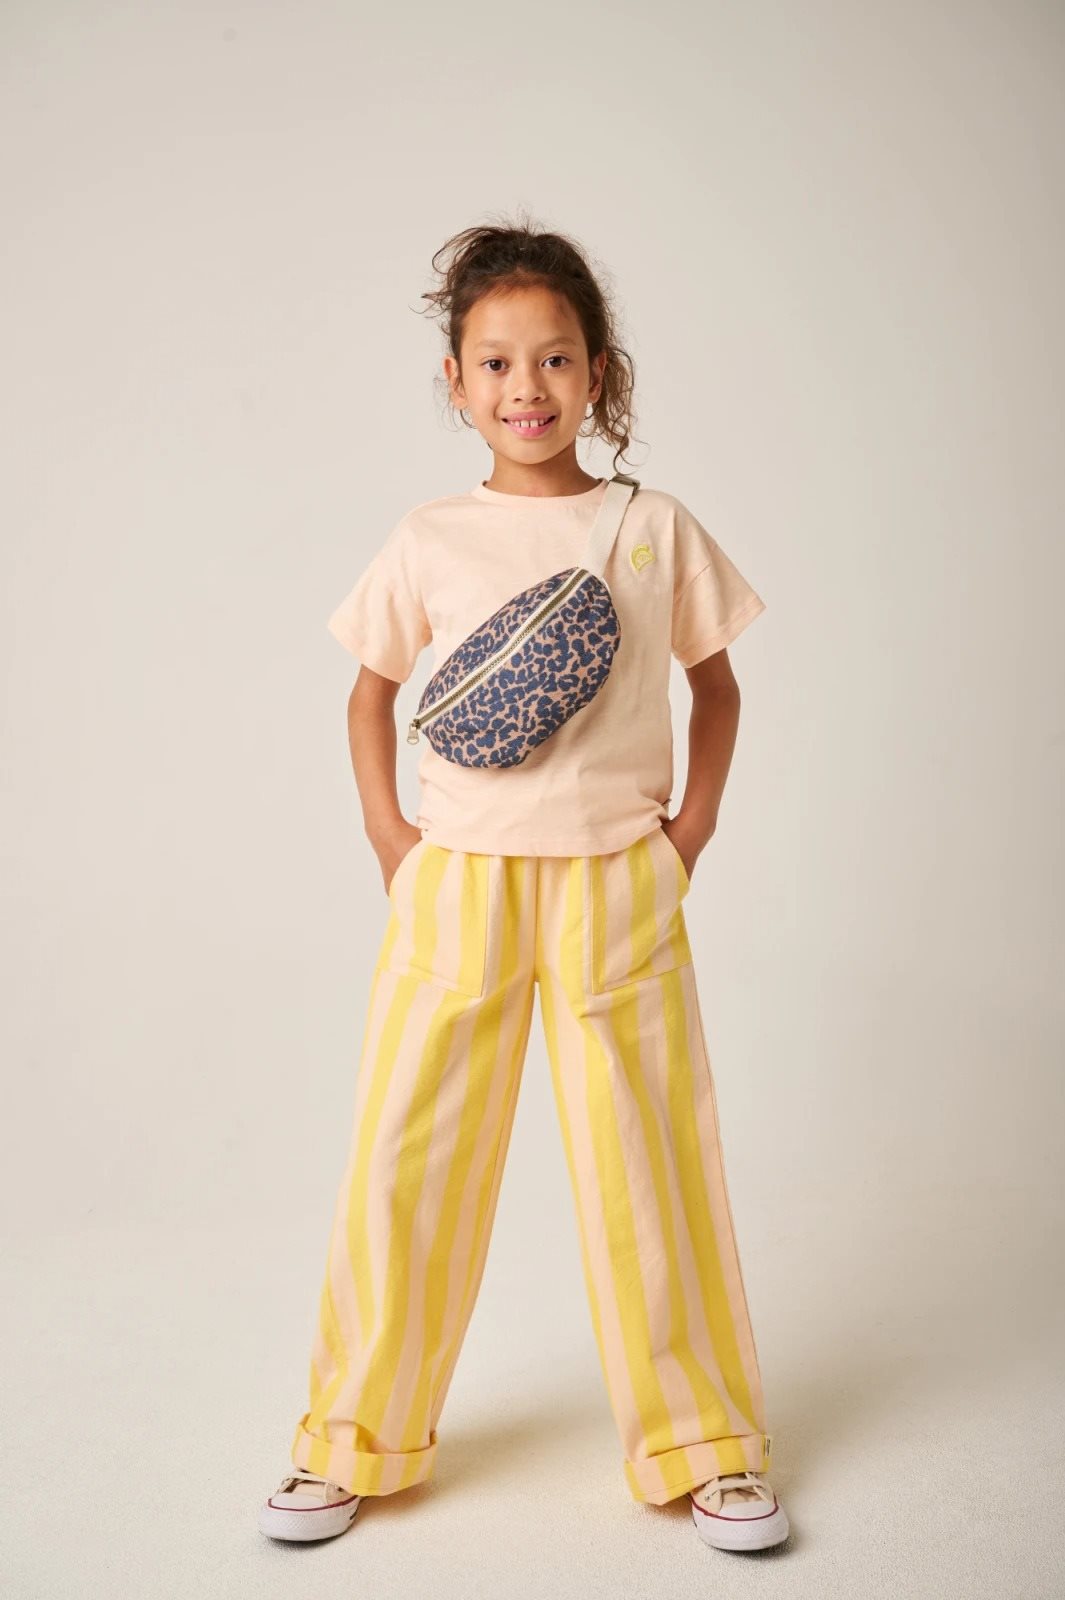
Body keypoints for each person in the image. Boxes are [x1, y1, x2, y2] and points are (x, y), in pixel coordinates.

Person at [258, 217, 790, 1555]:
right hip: (459, 886)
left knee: (652, 1166)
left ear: (600, 372)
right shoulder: (430, 535)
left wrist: (689, 833)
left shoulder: (651, 528)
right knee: (406, 1158)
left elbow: (717, 687)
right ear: (454, 381)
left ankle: (707, 1447)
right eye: (495, 363)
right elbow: (368, 695)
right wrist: (392, 839)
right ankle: (350, 1440)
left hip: (618, 884)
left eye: (554, 358)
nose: (526, 387)